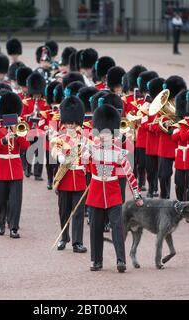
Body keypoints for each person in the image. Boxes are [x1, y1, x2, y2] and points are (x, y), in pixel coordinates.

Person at [84, 104, 143, 273]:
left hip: (113, 194)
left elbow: (130, 175)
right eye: (101, 133)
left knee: (117, 228)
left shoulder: (119, 152)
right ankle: (96, 260)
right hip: (95, 194)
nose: (104, 136)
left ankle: (120, 260)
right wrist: (84, 156)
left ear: (113, 133)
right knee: (95, 229)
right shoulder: (91, 149)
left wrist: (137, 195)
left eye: (107, 133)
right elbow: (80, 164)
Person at [0, 90, 30, 238]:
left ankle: (14, 227)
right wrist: (5, 139)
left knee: (15, 200)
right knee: (1, 199)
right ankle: (1, 222)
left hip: (16, 167)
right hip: (1, 167)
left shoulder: (20, 128)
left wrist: (17, 134)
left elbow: (25, 146)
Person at [50, 96, 88, 253]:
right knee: (64, 211)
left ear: (77, 122)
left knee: (78, 212)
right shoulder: (59, 138)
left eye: (73, 123)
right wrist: (58, 155)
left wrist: (87, 155)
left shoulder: (84, 139)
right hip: (64, 179)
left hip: (79, 178)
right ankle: (64, 237)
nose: (70, 126)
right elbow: (54, 150)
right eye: (68, 123)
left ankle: (77, 242)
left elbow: (91, 151)